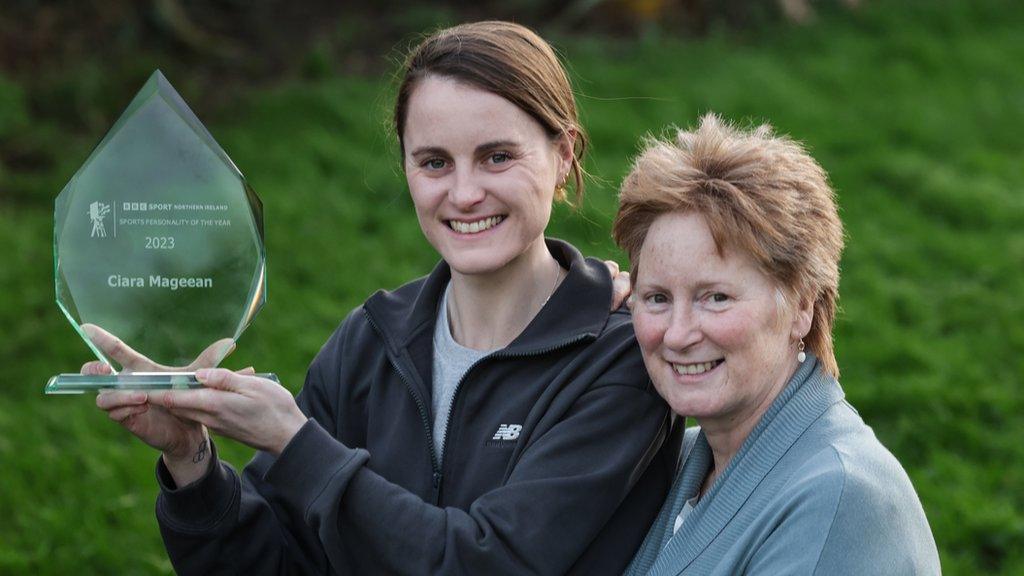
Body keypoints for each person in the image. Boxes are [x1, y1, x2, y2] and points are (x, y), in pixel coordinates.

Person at [87, 21, 677, 575]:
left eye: (498, 156)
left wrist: (296, 443)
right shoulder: (372, 340)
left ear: (564, 154)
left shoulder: (623, 361)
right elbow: (274, 560)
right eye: (434, 162)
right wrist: (193, 461)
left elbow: (487, 562)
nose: (465, 193)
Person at [613, 114, 941, 575]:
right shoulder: (675, 460)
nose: (678, 333)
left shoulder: (839, 496)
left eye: (716, 298)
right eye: (657, 298)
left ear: (802, 306)